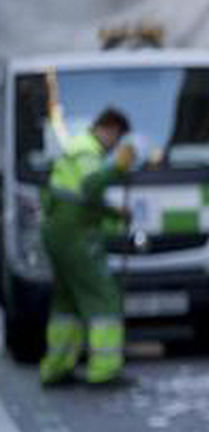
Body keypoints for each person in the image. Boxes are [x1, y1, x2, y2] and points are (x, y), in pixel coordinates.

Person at [39, 107, 137, 388]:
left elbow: (76, 197)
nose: (115, 146)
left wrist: (114, 214)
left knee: (66, 304)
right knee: (103, 297)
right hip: (75, 235)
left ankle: (56, 368)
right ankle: (105, 370)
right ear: (110, 129)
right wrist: (117, 167)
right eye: (116, 139)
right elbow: (92, 187)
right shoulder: (88, 151)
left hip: (59, 232)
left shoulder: (76, 148)